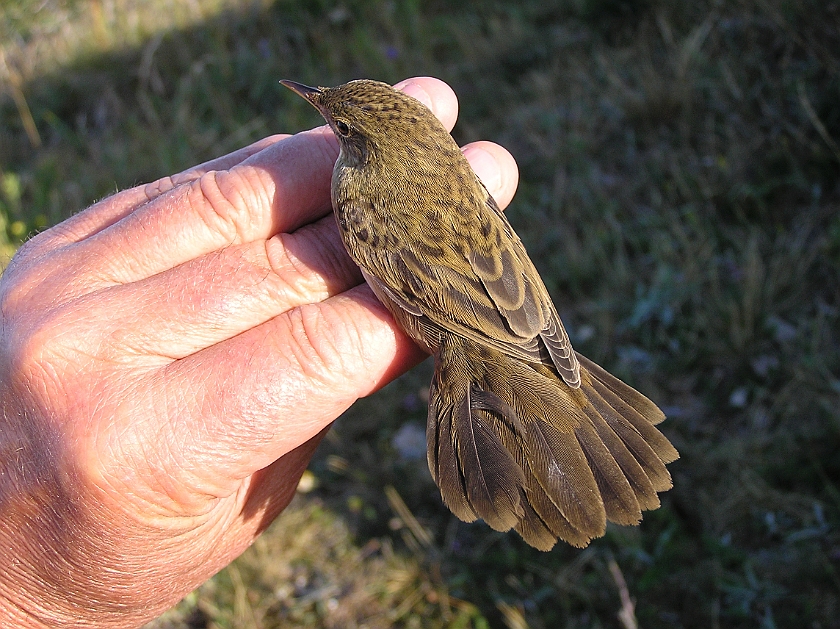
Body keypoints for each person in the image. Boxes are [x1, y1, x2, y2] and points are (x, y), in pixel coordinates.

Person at [0, 76, 519, 627]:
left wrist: (28, 604)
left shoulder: (358, 191)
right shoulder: (440, 170)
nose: (323, 113)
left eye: (340, 127)